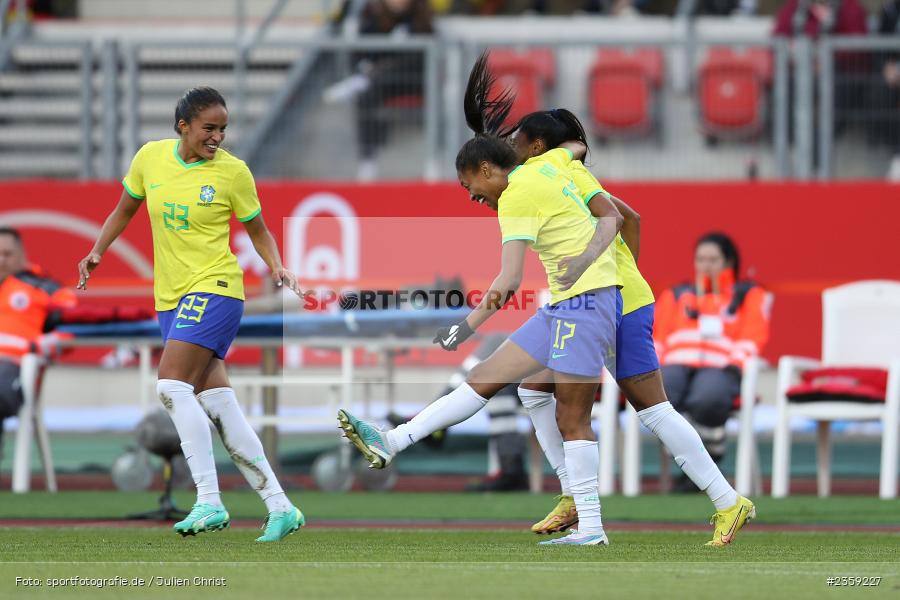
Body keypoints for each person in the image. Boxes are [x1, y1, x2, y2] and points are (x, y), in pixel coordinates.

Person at [339, 53, 626, 547]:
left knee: (572, 418)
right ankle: (393, 441)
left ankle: (593, 527)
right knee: (490, 380)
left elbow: (509, 279)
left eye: (468, 184)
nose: (471, 197)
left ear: (487, 168)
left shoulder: (516, 192)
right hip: (570, 302)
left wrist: (465, 327)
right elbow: (574, 144)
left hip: (587, 300)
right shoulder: (549, 166)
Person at [503, 111, 755, 546]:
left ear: (538, 145)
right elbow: (633, 219)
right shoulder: (564, 175)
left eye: (517, 140)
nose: (512, 148)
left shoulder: (567, 176)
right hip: (613, 300)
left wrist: (619, 288)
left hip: (615, 303)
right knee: (533, 389)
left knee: (653, 410)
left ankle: (728, 501)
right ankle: (573, 496)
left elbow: (629, 218)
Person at [76, 87, 303, 543]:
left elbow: (257, 229)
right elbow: (125, 209)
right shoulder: (150, 159)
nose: (217, 136)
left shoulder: (233, 173)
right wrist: (98, 251)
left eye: (222, 129)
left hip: (216, 287)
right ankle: (281, 507)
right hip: (171, 298)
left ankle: (208, 501)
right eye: (209, 128)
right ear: (183, 125)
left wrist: (276, 264)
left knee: (170, 386)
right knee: (219, 405)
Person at [653, 232, 771, 492]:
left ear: (728, 262)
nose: (705, 265)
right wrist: (652, 368)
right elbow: (658, 336)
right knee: (661, 396)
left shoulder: (748, 294)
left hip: (721, 365)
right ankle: (692, 464)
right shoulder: (676, 294)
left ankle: (705, 462)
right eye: (700, 259)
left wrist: (735, 364)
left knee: (708, 396)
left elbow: (754, 334)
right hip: (676, 363)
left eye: (713, 259)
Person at [0, 227, 76, 461]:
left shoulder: (46, 289)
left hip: (13, 368)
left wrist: (47, 343)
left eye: (7, 253)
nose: (1, 260)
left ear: (21, 255)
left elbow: (73, 330)